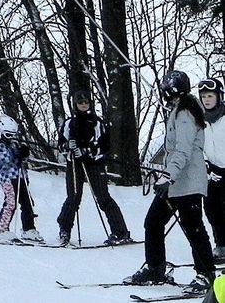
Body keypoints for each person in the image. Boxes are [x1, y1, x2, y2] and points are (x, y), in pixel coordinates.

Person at [124, 70, 215, 294]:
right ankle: (155, 268)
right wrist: (168, 176)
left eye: (167, 85)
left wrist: (167, 176)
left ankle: (206, 274)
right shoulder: (177, 110)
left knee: (193, 227)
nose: (164, 89)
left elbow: (183, 151)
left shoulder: (185, 113)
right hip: (175, 183)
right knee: (153, 222)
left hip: (188, 182)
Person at [56, 89, 131, 246]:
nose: (83, 105)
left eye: (86, 102)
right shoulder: (69, 123)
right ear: (75, 105)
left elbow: (104, 145)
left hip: (94, 164)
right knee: (73, 198)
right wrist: (68, 147)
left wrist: (87, 151)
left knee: (103, 198)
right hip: (75, 164)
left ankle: (120, 231)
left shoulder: (98, 123)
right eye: (80, 103)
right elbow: (61, 145)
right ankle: (64, 230)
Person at [0, 114, 43, 242]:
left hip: (20, 177)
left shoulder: (13, 144)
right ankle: (1, 229)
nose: (11, 138)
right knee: (11, 203)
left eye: (13, 135)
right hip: (7, 179)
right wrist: (13, 153)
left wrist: (23, 154)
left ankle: (29, 229)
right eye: (8, 135)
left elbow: (20, 159)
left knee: (27, 204)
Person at [198, 78, 225, 261]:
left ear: (219, 97)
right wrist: (206, 164)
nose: (207, 100)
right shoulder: (200, 121)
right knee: (212, 209)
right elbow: (198, 146)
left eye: (210, 96)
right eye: (203, 96)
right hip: (212, 171)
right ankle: (221, 245)